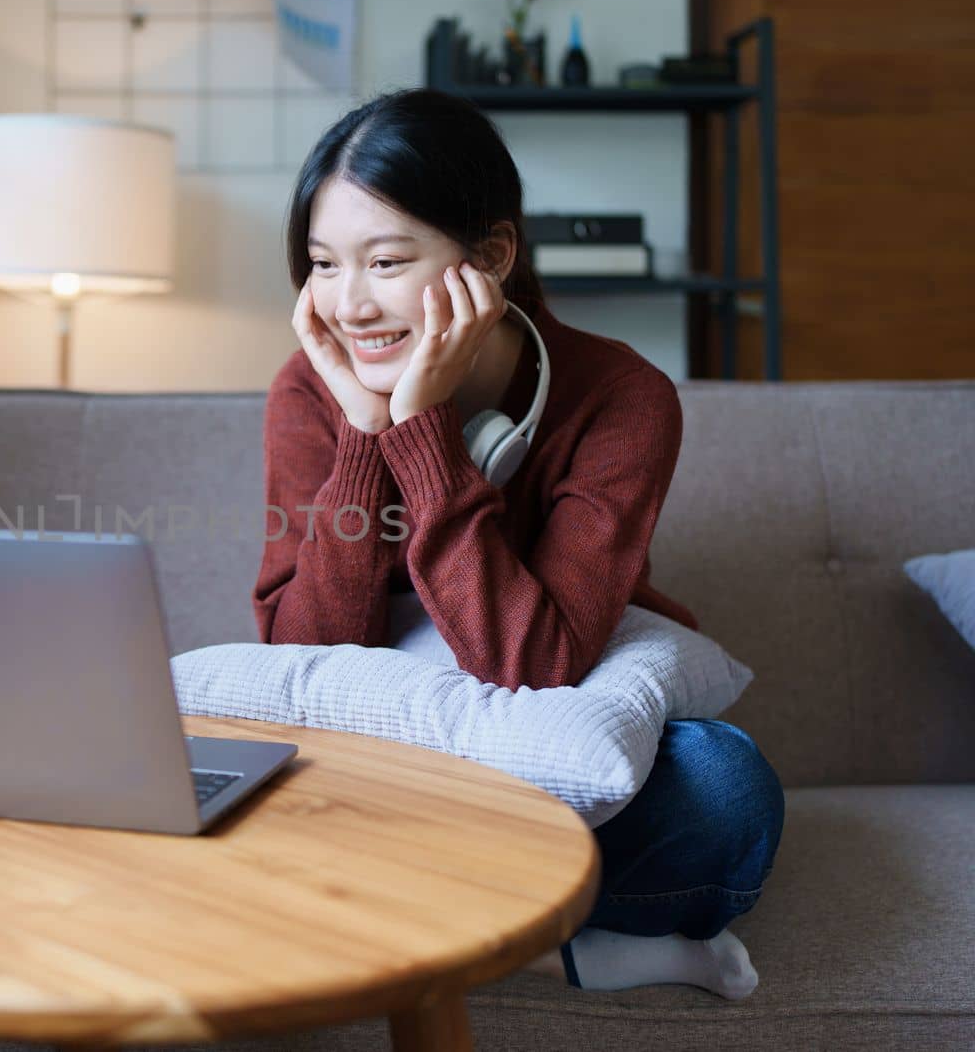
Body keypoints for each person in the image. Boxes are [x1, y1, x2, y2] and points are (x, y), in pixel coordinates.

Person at [253, 88, 784, 999]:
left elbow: (532, 659)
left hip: (542, 754)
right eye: (323, 265)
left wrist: (420, 431)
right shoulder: (310, 393)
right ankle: (563, 945)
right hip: (385, 764)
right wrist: (360, 433)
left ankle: (382, 912)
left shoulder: (621, 397)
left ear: (491, 256)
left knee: (725, 789)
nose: (349, 304)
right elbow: (305, 659)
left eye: (384, 261)